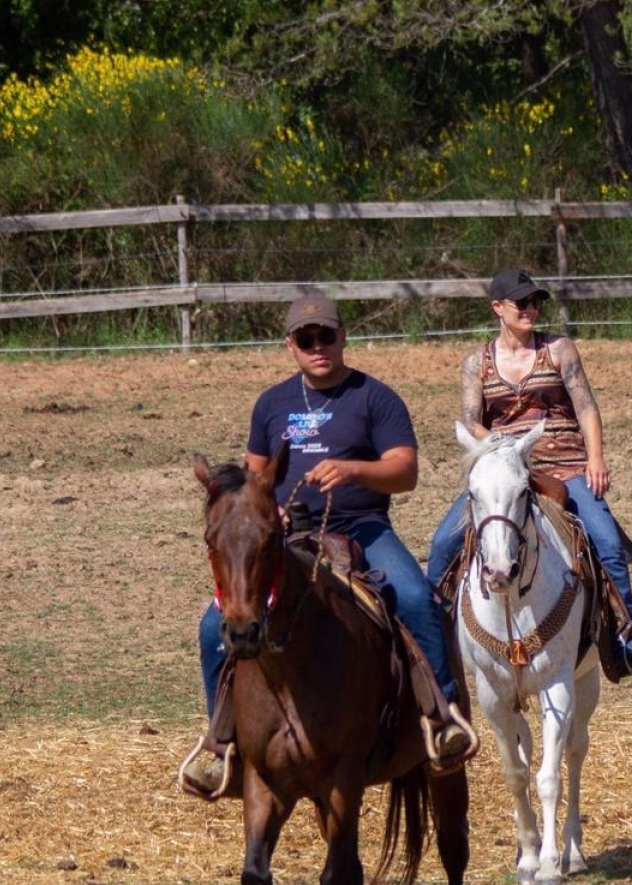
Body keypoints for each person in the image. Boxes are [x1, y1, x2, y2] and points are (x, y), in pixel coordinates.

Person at [180, 290, 477, 798]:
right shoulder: (272, 404)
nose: (318, 346)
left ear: (343, 338)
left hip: (362, 528)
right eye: (306, 338)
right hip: (288, 536)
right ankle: (221, 742)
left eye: (327, 336)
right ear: (290, 345)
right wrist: (263, 508)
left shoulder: (373, 397)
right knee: (214, 625)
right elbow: (255, 474)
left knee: (416, 599)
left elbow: (405, 471)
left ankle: (440, 717)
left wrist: (353, 469)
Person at [426, 268, 632, 675]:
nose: (531, 310)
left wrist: (596, 458)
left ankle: (627, 635)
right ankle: (434, 640)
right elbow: (469, 421)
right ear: (498, 308)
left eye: (536, 302)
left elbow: (585, 407)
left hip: (566, 465)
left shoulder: (559, 350)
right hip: (505, 470)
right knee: (442, 544)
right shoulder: (475, 364)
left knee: (605, 540)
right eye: (523, 303)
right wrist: (505, 449)